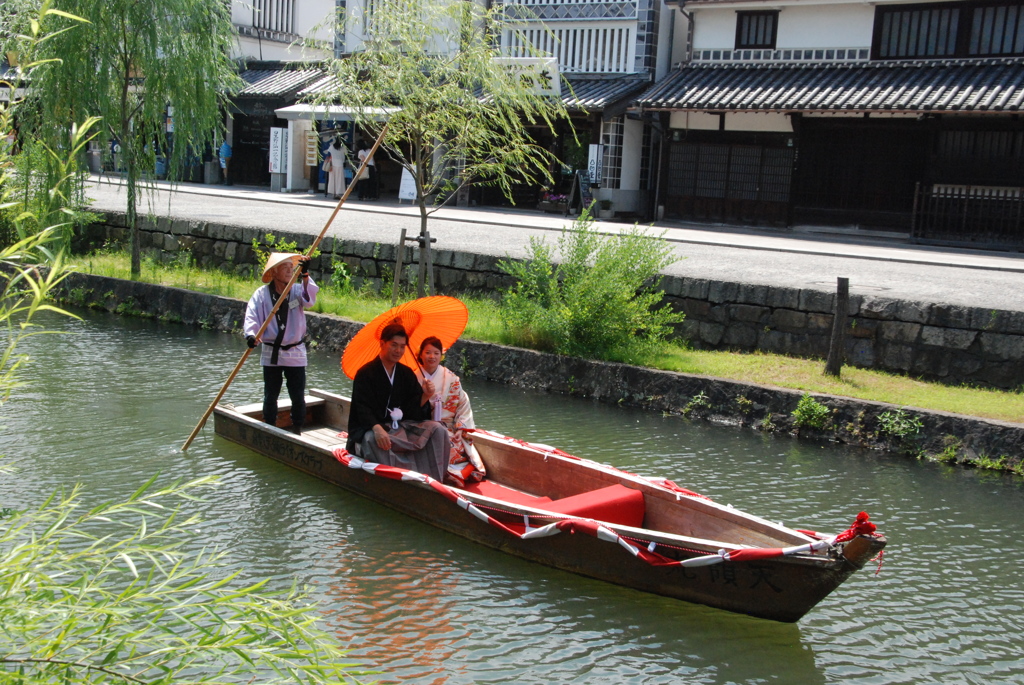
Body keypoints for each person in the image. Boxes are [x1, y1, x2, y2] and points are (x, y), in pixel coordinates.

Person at [346, 324, 451, 482]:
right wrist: (377, 428)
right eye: (394, 345)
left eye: (402, 346)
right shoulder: (365, 373)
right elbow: (361, 408)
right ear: (382, 343)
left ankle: (434, 477)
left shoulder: (405, 373)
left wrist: (425, 395)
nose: (398, 351)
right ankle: (396, 480)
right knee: (373, 439)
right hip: (374, 429)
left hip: (400, 427)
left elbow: (412, 410)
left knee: (438, 430)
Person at [244, 253, 318, 434]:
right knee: (270, 395)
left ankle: (297, 428)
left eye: (291, 267)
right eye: (284, 268)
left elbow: (309, 301)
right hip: (272, 352)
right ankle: (270, 426)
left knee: (297, 395)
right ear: (274, 272)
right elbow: (252, 316)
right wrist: (251, 335)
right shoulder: (261, 294)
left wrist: (305, 275)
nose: (289, 271)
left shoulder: (296, 290)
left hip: (295, 351)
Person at [415, 336, 486, 487]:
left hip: (448, 425)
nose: (432, 356)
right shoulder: (413, 377)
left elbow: (462, 402)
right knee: (437, 442)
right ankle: (446, 474)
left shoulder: (451, 378)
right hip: (422, 425)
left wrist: (460, 428)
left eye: (436, 353)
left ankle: (454, 473)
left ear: (441, 355)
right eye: (427, 352)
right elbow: (409, 407)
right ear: (420, 354)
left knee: (456, 444)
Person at [325, 135, 347, 200]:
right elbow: (346, 155)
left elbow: (328, 154)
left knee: (332, 179)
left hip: (333, 164)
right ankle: (338, 193)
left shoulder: (331, 146)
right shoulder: (343, 148)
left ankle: (333, 193)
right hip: (340, 164)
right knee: (339, 179)